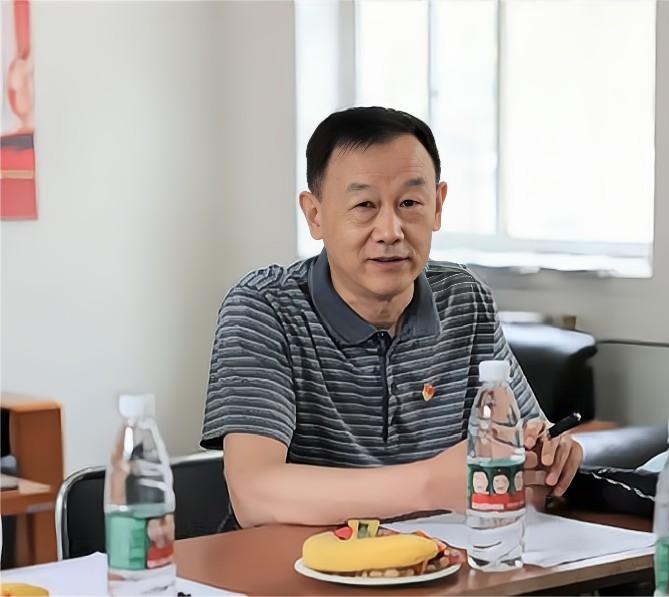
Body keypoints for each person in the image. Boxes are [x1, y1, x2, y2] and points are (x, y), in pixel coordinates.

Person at [201, 107, 583, 527]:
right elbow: (254, 495)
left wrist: (547, 459)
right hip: (296, 563)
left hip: (440, 560)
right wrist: (430, 483)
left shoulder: (464, 300)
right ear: (315, 215)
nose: (390, 231)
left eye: (409, 203)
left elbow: (521, 462)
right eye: (364, 205)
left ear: (437, 206)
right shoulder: (263, 307)